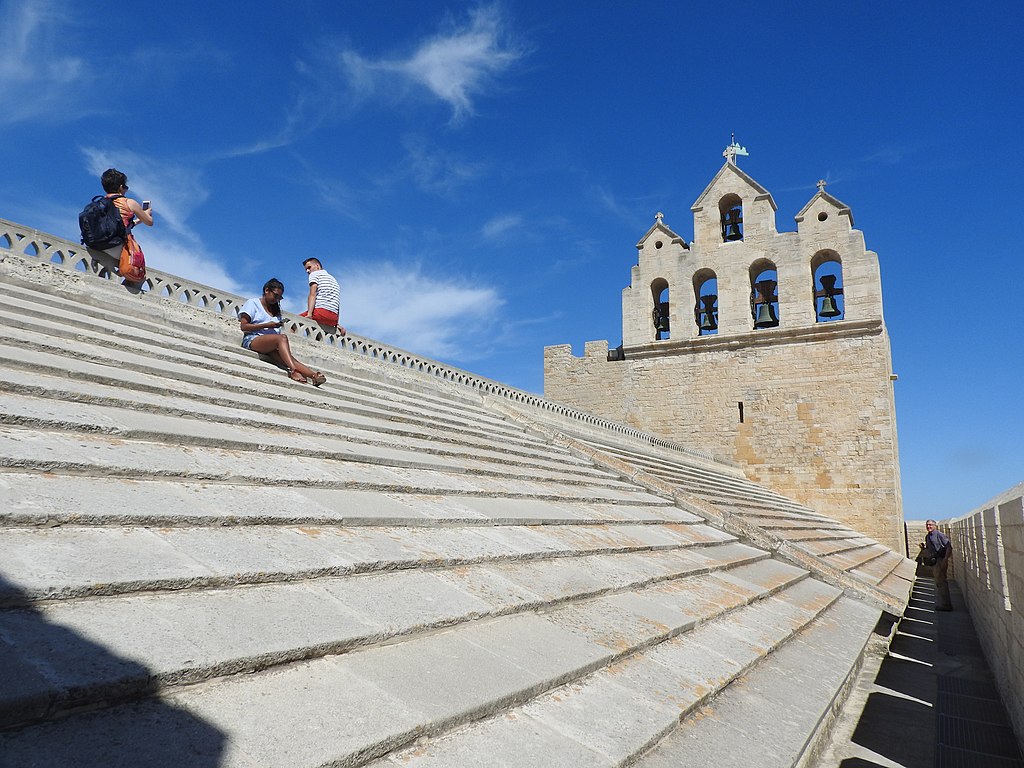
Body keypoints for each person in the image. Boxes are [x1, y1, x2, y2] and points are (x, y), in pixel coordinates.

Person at [239, 279, 327, 386]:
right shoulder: (253, 303)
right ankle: (294, 371)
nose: (276, 300)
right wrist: (267, 325)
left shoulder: (276, 311)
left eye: (279, 298)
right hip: (253, 339)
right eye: (275, 296)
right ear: (267, 290)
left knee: (289, 358)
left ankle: (313, 375)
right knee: (282, 338)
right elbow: (244, 326)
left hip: (270, 344)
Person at [99, 168, 153, 278]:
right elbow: (149, 222)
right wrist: (146, 213)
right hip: (114, 246)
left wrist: (137, 221)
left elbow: (120, 224)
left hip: (97, 243)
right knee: (139, 271)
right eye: (125, 187)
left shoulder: (100, 203)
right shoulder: (129, 203)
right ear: (120, 187)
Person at [300, 257, 345, 335]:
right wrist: (336, 323)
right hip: (333, 318)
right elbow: (337, 303)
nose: (307, 271)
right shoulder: (333, 279)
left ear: (317, 266)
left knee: (292, 322)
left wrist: (309, 314)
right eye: (306, 270)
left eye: (309, 267)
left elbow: (312, 294)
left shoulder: (314, 274)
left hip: (321, 313)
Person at [924, 519, 953, 611]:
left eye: (931, 525)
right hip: (935, 561)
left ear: (935, 526)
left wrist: (945, 560)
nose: (929, 526)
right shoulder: (928, 537)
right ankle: (945, 603)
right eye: (927, 525)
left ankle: (946, 605)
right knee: (939, 582)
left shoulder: (939, 535)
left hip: (940, 560)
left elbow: (948, 547)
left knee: (941, 582)